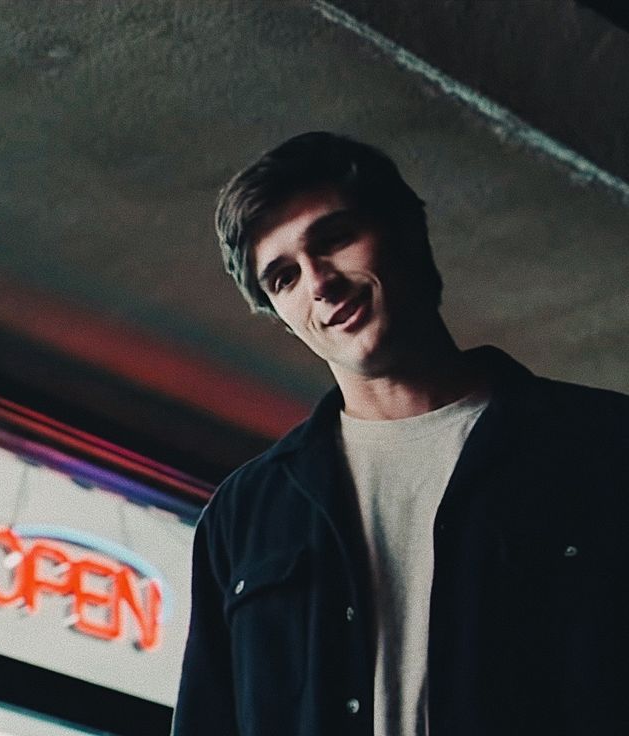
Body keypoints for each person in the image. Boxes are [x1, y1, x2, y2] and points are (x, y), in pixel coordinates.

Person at [172, 132, 629, 736]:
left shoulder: (602, 445)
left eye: (333, 239)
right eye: (283, 277)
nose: (318, 283)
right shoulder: (246, 514)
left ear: (407, 229)